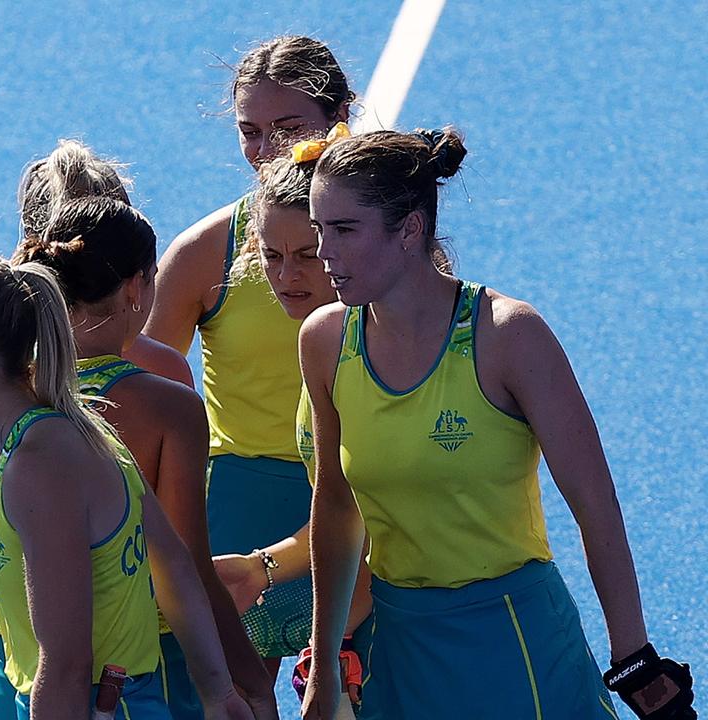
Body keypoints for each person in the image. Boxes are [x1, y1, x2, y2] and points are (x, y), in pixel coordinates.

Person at [299, 127, 695, 719]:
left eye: (345, 230)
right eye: (319, 229)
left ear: (410, 228)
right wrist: (328, 658)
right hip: (398, 646)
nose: (323, 253)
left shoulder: (510, 336)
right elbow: (335, 506)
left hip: (512, 639)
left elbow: (595, 506)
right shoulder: (325, 341)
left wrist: (632, 652)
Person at [0, 141, 204, 720]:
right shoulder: (161, 381)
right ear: (131, 280)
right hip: (129, 660)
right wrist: (227, 681)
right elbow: (179, 557)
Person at [0, 252, 254, 720]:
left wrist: (220, 693)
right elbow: (174, 566)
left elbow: (66, 664)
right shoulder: (75, 430)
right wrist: (219, 693)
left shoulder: (38, 468)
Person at [14, 197, 275, 719]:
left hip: (18, 674)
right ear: (137, 287)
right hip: (126, 682)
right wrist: (248, 681)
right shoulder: (168, 407)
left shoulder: (1, 392)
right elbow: (187, 566)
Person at [141, 36, 354, 674]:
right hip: (238, 510)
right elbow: (141, 400)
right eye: (250, 131)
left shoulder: (387, 248)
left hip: (365, 495)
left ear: (340, 117)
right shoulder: (204, 253)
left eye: (288, 130)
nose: (267, 153)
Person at [207, 141, 372, 710]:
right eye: (272, 257)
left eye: (307, 253)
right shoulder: (325, 342)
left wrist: (331, 657)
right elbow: (346, 512)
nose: (287, 275)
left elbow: (377, 522)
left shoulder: (368, 349)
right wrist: (260, 569)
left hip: (412, 616)